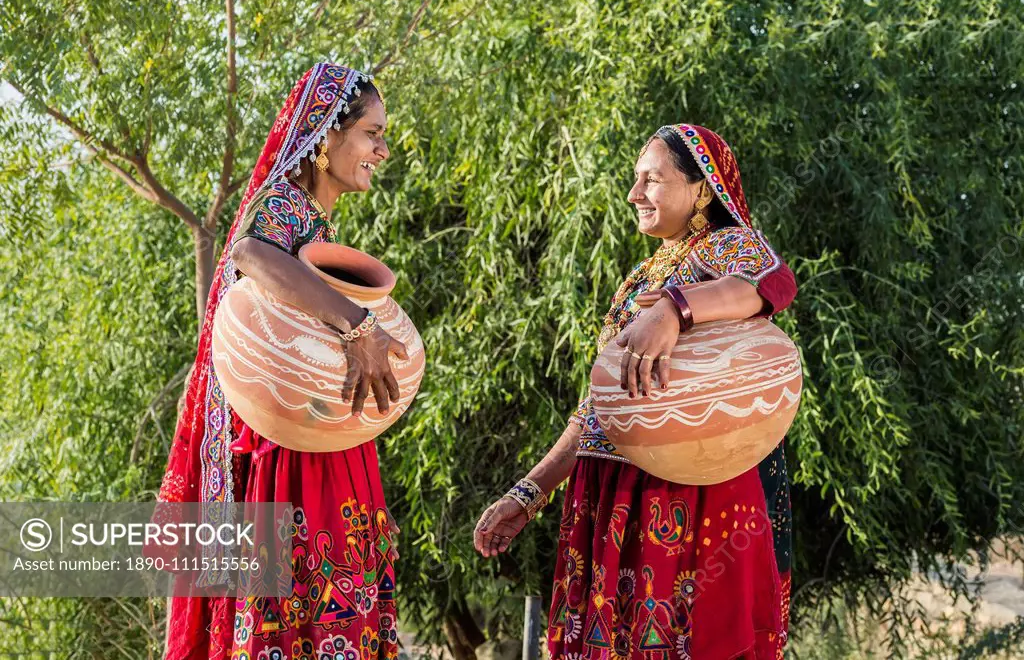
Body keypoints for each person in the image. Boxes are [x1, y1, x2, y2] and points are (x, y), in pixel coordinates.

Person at [474, 124, 798, 659]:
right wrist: (528, 493)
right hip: (613, 493)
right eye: (634, 180)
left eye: (651, 179)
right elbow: (598, 405)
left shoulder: (726, 248)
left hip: (687, 491)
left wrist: (676, 309)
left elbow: (771, 284)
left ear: (702, 189)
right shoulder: (639, 278)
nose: (634, 194)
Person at [157, 62, 407, 660]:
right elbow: (251, 253)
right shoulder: (283, 206)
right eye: (372, 132)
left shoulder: (312, 219)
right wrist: (357, 324)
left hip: (314, 438)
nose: (383, 148)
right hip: (288, 451)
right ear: (325, 136)